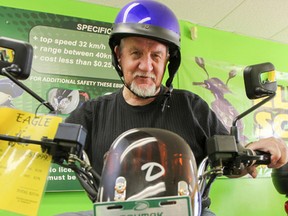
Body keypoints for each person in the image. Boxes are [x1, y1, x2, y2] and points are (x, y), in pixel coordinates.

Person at [65, 0, 288, 215]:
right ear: (119, 56)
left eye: (156, 56)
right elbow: (46, 142)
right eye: (136, 54)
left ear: (167, 61)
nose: (146, 66)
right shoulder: (91, 113)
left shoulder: (192, 107)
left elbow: (232, 164)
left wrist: (253, 151)